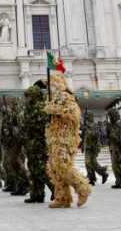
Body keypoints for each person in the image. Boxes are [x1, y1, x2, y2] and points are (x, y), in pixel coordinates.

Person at [45, 72, 91, 208]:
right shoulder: (51, 98)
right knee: (54, 168)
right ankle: (62, 197)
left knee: (63, 165)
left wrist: (55, 109)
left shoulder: (66, 96)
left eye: (52, 84)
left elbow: (75, 114)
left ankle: (82, 188)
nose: (50, 87)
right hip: (54, 138)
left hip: (65, 138)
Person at [21, 86, 54, 203]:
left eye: (29, 96)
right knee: (32, 168)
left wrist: (29, 124)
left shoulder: (41, 107)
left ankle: (55, 189)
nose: (27, 98)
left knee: (40, 169)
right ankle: (37, 194)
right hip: (31, 142)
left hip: (40, 142)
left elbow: (43, 125)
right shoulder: (29, 108)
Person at [3, 97, 29, 196]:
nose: (13, 106)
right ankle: (21, 184)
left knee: (18, 163)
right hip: (15, 141)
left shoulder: (22, 114)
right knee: (13, 162)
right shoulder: (14, 115)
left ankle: (26, 183)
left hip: (22, 142)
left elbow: (22, 128)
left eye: (15, 104)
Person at [82, 111, 108, 185]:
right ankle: (91, 178)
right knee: (87, 163)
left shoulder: (93, 125)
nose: (87, 118)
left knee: (90, 162)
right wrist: (83, 145)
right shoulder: (87, 125)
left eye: (87, 117)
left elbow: (93, 134)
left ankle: (103, 173)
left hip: (93, 147)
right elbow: (85, 137)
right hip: (87, 146)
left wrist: (87, 129)